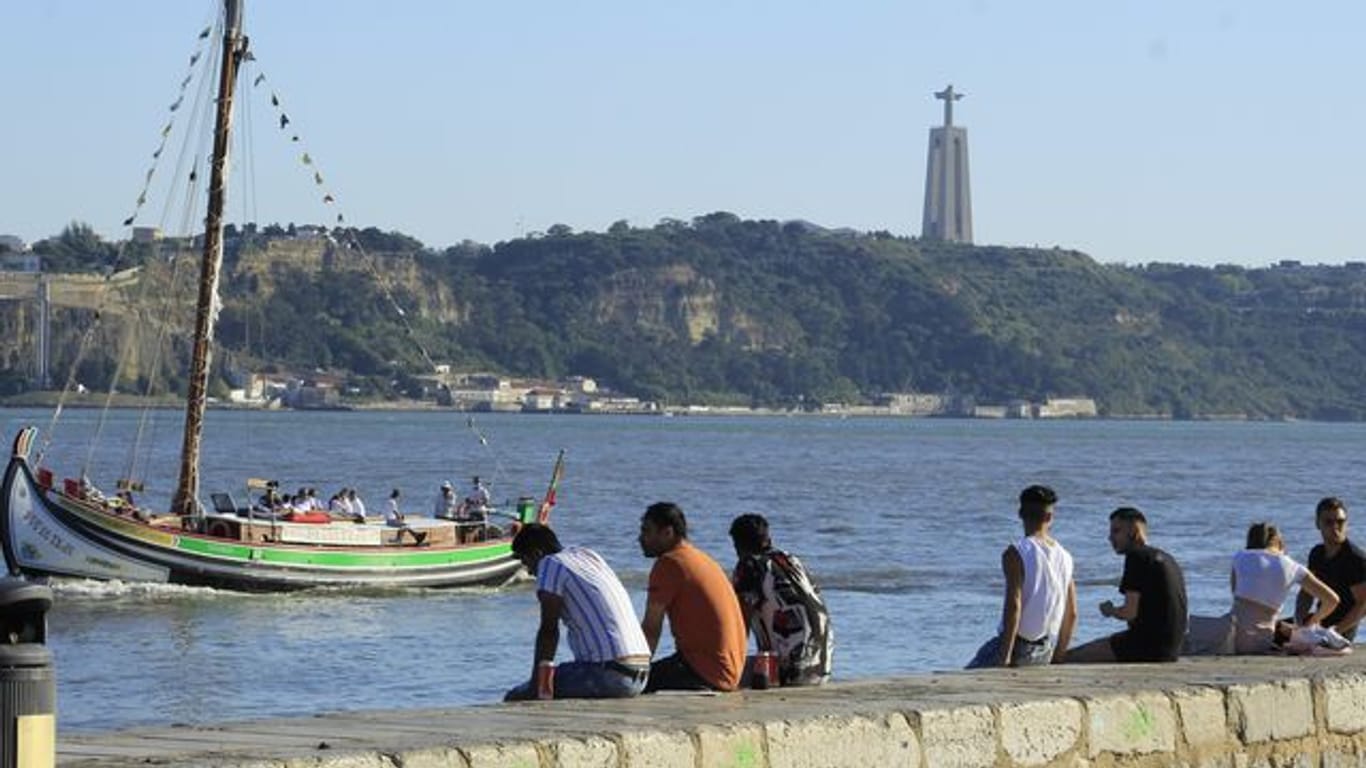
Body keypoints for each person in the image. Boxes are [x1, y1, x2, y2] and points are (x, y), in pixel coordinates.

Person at [503, 524, 651, 701]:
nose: (528, 571)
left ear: (536, 553)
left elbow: (548, 631)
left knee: (515, 696)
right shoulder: (587, 555)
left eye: (525, 562)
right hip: (641, 675)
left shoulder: (550, 564)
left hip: (610, 675)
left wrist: (537, 684)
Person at [638, 502, 747, 693]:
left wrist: (636, 673)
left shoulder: (669, 564)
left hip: (704, 673)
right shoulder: (701, 558)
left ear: (667, 533)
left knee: (623, 684)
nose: (640, 538)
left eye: (647, 531)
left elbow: (651, 629)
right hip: (730, 670)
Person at [967, 485, 1077, 668]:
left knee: (964, 678)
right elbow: (1072, 613)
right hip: (1045, 648)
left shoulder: (1016, 552)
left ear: (1020, 514)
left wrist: (1005, 656)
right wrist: (1058, 656)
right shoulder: (1066, 556)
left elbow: (1014, 605)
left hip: (1017, 646)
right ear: (1050, 517)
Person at [1067, 506, 1188, 663]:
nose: (1110, 538)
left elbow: (1129, 613)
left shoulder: (1137, 557)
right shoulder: (1167, 558)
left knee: (1070, 657)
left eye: (1116, 531)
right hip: (1172, 648)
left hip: (1146, 647)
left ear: (1134, 530)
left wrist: (1110, 610)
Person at [728, 513, 832, 686]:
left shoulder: (749, 566)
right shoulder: (791, 560)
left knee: (711, 674)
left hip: (787, 672)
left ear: (738, 544)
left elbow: (742, 620)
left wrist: (733, 660)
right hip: (821, 668)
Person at [1229, 522, 1338, 654]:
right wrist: (1311, 622)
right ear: (1280, 542)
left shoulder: (1239, 557)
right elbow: (1332, 600)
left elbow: (1235, 593)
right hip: (1262, 643)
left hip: (1232, 638)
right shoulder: (1291, 565)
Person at [1296, 497, 1366, 641]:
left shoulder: (1355, 558)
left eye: (1340, 522)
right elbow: (1306, 593)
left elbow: (1363, 604)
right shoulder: (1317, 553)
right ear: (1318, 524)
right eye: (1328, 522)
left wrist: (1334, 632)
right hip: (1319, 621)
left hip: (1342, 630)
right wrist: (1299, 622)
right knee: (1275, 631)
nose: (1335, 527)